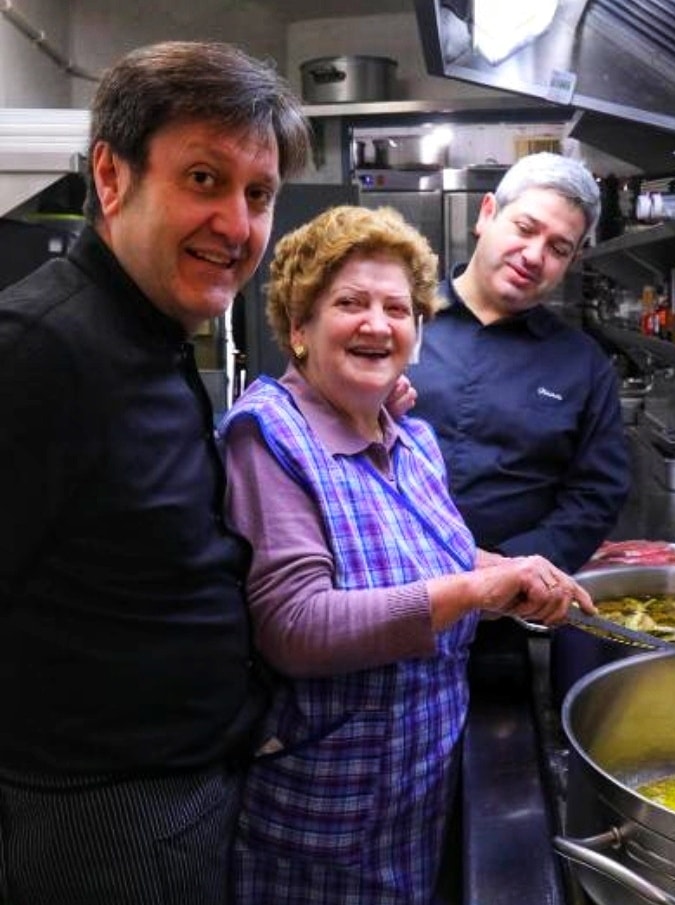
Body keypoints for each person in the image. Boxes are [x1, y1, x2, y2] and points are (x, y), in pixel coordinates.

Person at [0, 41, 310, 905]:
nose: (238, 225)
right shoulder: (37, 353)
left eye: (259, 195)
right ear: (112, 176)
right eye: (204, 179)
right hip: (104, 815)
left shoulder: (151, 327)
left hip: (181, 783)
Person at [220, 204, 596, 904]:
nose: (377, 323)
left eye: (398, 307)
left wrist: (515, 573)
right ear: (299, 329)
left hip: (412, 804)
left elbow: (438, 554)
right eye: (350, 303)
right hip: (322, 824)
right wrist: (477, 592)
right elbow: (296, 626)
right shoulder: (270, 434)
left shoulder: (410, 439)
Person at [409, 152, 630, 574]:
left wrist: (507, 569)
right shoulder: (398, 321)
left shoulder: (582, 365)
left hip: (509, 610)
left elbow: (596, 496)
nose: (533, 255)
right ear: (487, 214)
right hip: (382, 590)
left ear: (571, 261)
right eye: (525, 229)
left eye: (558, 248)